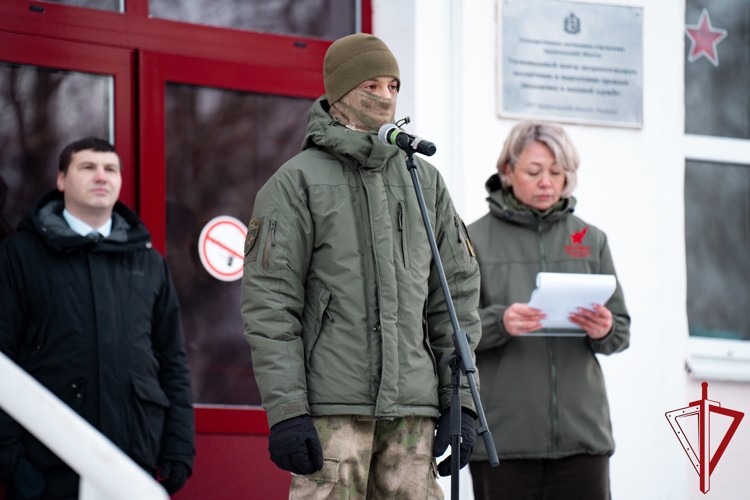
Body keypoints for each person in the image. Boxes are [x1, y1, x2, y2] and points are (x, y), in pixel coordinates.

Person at [240, 33, 481, 499]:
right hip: (331, 413)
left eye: (393, 86)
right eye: (371, 86)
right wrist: (288, 411)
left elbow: (455, 295)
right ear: (340, 93)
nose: (385, 97)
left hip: (414, 411)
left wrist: (461, 404)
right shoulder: (296, 182)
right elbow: (271, 306)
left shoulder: (422, 179)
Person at [0, 137, 195, 499]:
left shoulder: (149, 264)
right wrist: (8, 458)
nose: (101, 176)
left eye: (110, 169)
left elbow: (173, 362)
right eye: (88, 167)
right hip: (48, 462)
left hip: (134, 460)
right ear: (61, 180)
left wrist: (180, 449)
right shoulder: (19, 255)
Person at [466, 121, 630, 500]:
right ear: (507, 171)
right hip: (502, 441)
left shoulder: (591, 239)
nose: (546, 182)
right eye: (534, 171)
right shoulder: (473, 238)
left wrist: (604, 329)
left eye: (556, 173)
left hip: (582, 440)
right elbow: (448, 329)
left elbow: (621, 332)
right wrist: (499, 322)